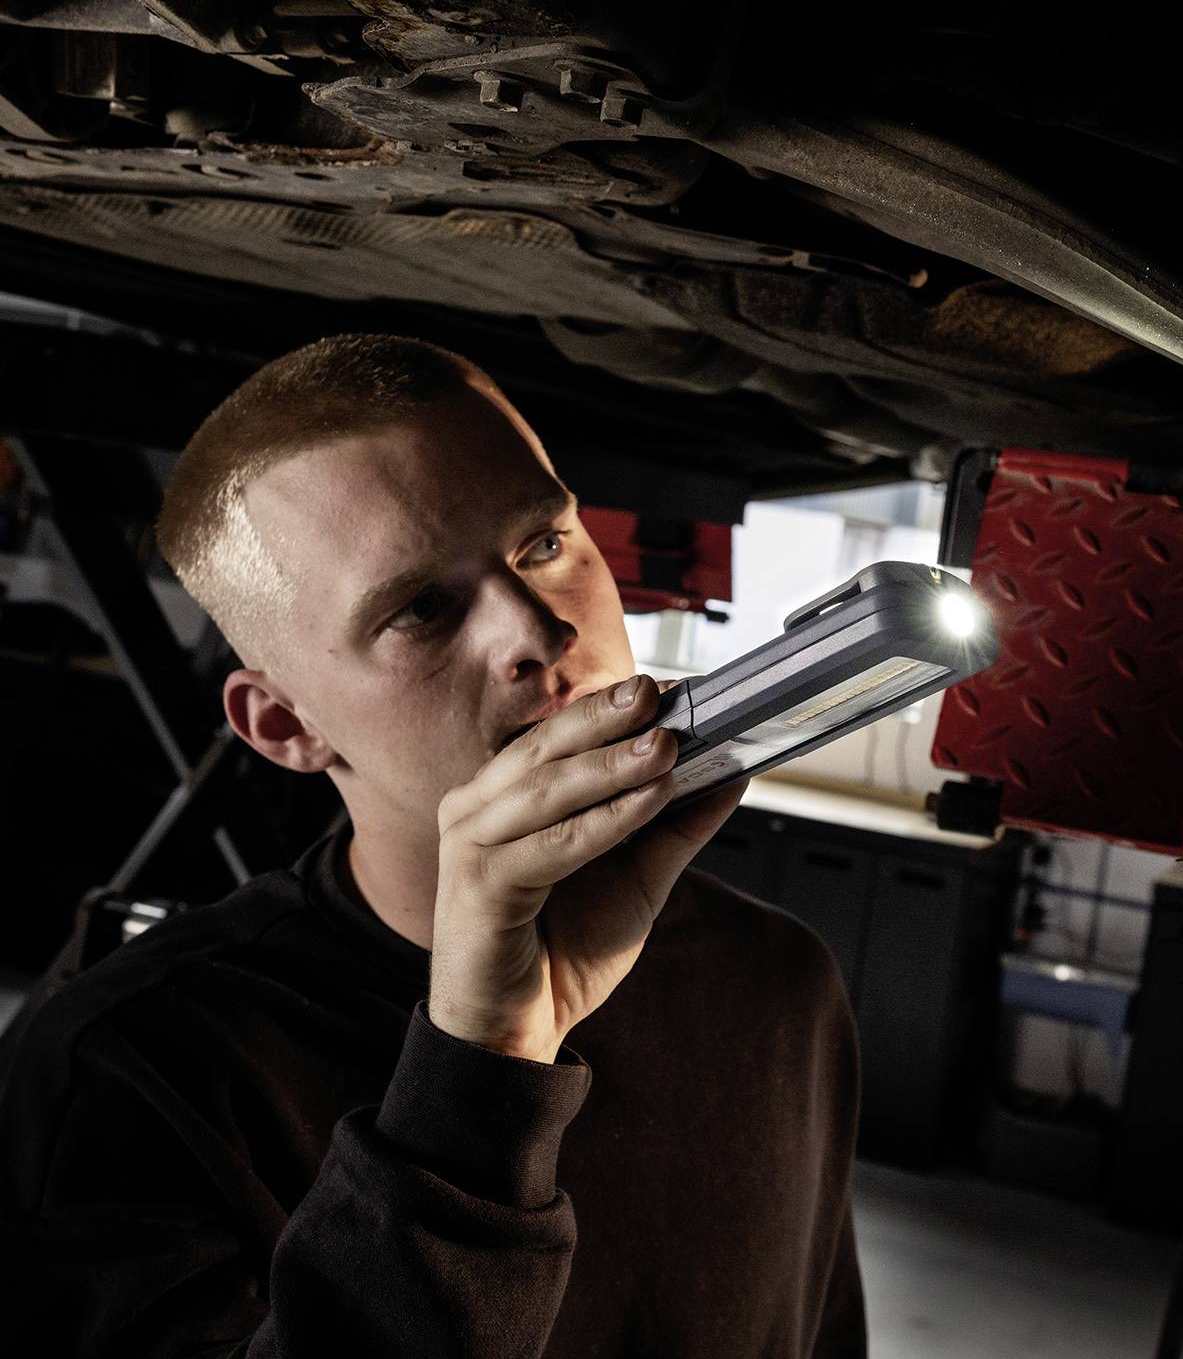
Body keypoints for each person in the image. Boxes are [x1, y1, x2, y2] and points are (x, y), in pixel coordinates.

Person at [0, 334, 866, 1357]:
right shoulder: (126, 1074)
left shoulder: (777, 983)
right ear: (284, 726)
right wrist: (482, 1063)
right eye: (421, 608)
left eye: (544, 545)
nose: (539, 633)